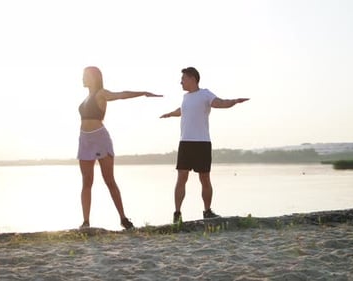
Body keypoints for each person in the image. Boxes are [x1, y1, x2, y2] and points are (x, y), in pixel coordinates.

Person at [160, 67, 249, 223]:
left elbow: (220, 103)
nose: (180, 82)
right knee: (181, 178)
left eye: (183, 78)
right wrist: (170, 114)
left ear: (192, 79)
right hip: (185, 143)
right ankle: (177, 214)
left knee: (205, 179)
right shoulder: (185, 97)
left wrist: (233, 101)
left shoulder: (205, 94)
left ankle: (207, 211)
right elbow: (182, 110)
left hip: (202, 143)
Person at [78, 66, 162, 230]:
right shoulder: (86, 97)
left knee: (109, 180)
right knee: (86, 182)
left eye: (85, 76)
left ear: (94, 78)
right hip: (84, 141)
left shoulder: (101, 94)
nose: (82, 78)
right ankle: (86, 222)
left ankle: (123, 218)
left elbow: (122, 94)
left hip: (99, 139)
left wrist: (143, 92)